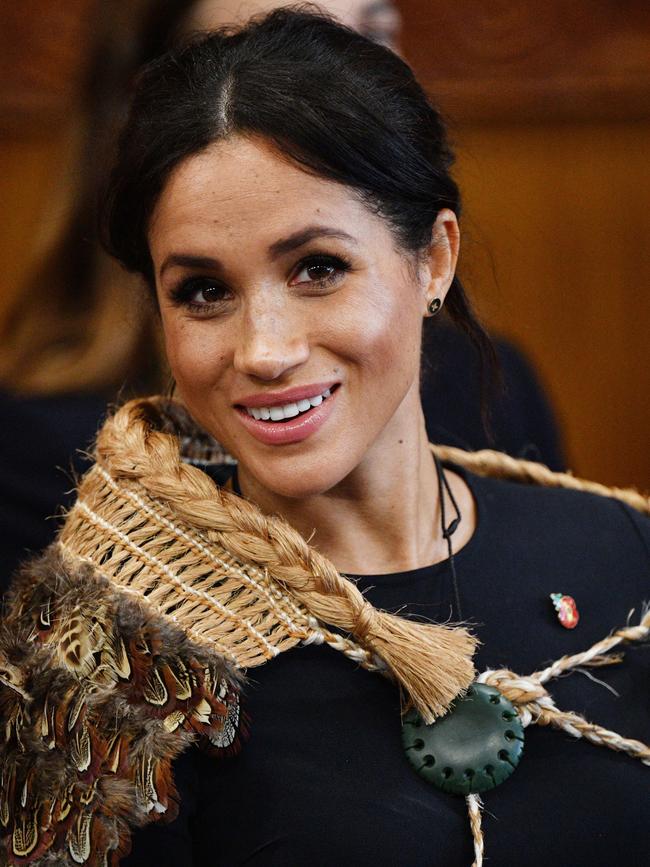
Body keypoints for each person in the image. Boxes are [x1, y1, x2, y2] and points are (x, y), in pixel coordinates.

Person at [1, 10, 646, 867]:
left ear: (434, 259)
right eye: (202, 291)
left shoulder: (622, 557)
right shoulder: (106, 658)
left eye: (318, 268)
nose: (263, 349)